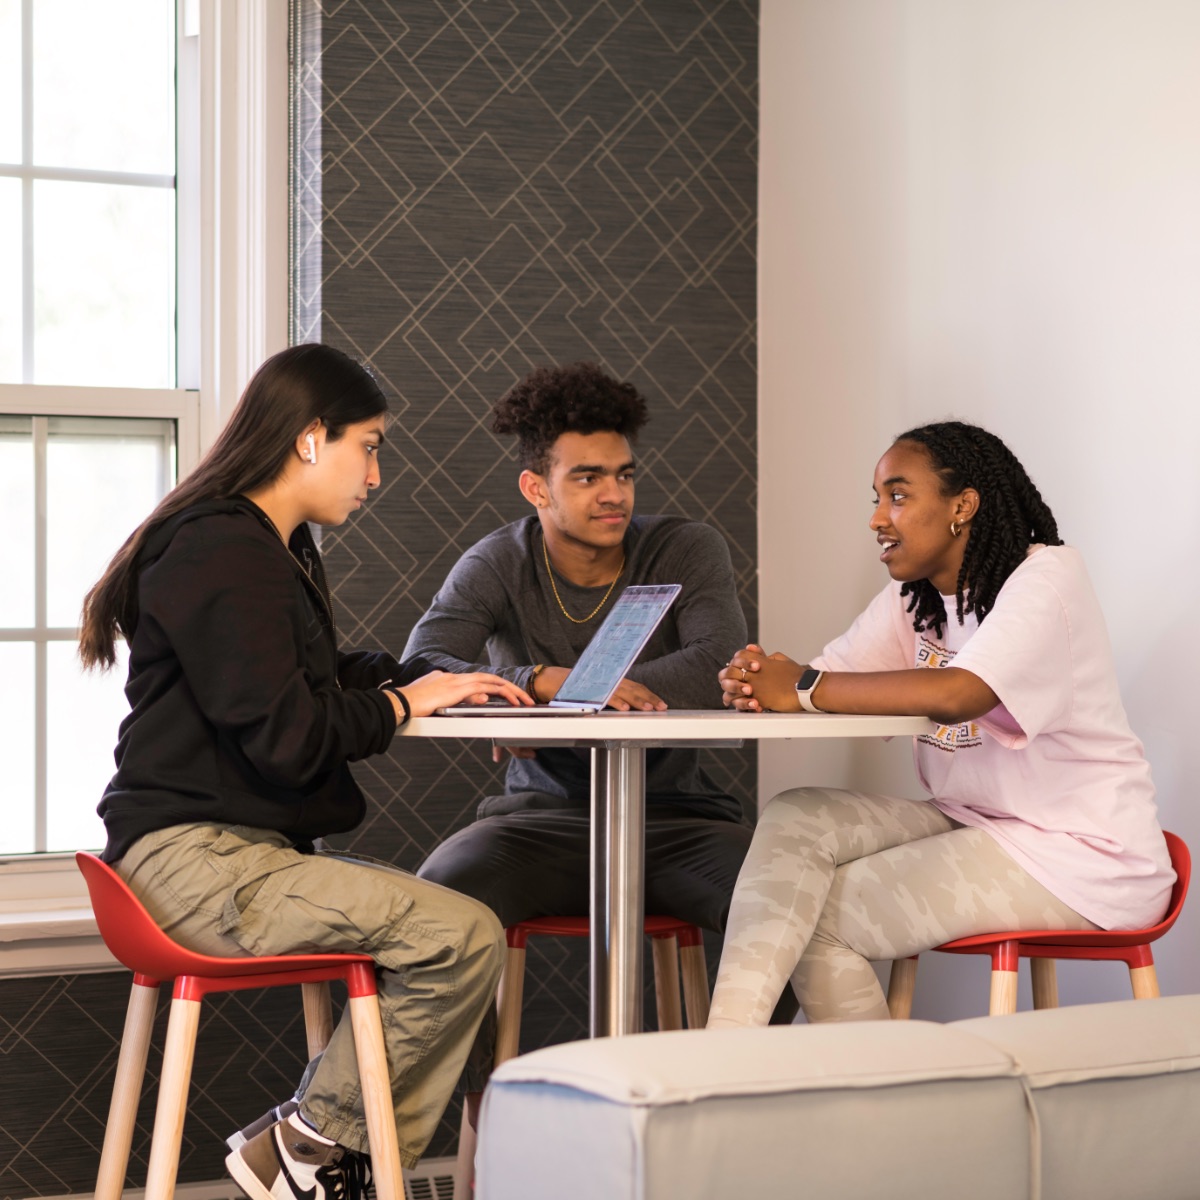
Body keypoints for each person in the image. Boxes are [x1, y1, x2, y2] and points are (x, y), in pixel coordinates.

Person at [79, 344, 532, 1200]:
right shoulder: (221, 547)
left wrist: (421, 684)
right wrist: (405, 705)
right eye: (370, 445)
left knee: (460, 930)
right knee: (462, 935)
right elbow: (286, 733)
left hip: (228, 856)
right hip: (198, 864)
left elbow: (304, 679)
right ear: (310, 439)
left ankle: (315, 1149)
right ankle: (314, 1145)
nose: (376, 473)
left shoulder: (263, 546)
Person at [707, 420, 1175, 1028]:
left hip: (1080, 856)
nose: (878, 518)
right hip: (975, 819)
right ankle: (726, 1052)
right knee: (798, 813)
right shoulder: (917, 597)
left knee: (820, 920)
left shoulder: (1046, 577)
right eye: (876, 499)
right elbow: (826, 683)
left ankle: (885, 1113)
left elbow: (960, 692)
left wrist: (800, 686)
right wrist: (760, 682)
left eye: (898, 496)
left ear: (963, 506)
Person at [404, 362, 790, 1083]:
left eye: (623, 473)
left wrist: (547, 705)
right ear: (536, 488)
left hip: (678, 822)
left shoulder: (685, 546)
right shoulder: (498, 562)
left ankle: (734, 1117)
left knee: (798, 917)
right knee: (429, 919)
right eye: (586, 477)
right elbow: (422, 664)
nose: (613, 493)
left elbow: (717, 659)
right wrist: (540, 682)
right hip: (542, 822)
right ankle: (495, 1126)